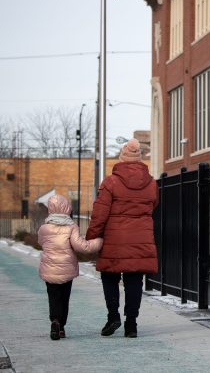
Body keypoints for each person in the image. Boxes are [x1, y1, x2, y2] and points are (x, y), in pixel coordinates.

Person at [86, 138, 158, 338]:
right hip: (140, 238)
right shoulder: (151, 183)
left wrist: (91, 238)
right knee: (134, 280)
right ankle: (131, 324)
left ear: (122, 158)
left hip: (114, 238)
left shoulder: (111, 182)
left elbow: (99, 214)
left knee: (110, 276)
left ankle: (113, 316)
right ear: (139, 159)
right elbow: (152, 206)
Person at [38, 194, 103, 340]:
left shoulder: (44, 228)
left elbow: (41, 242)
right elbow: (81, 246)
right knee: (64, 297)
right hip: (67, 268)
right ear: (66, 208)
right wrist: (99, 242)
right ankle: (61, 326)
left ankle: (54, 320)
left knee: (53, 296)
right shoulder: (71, 227)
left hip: (49, 268)